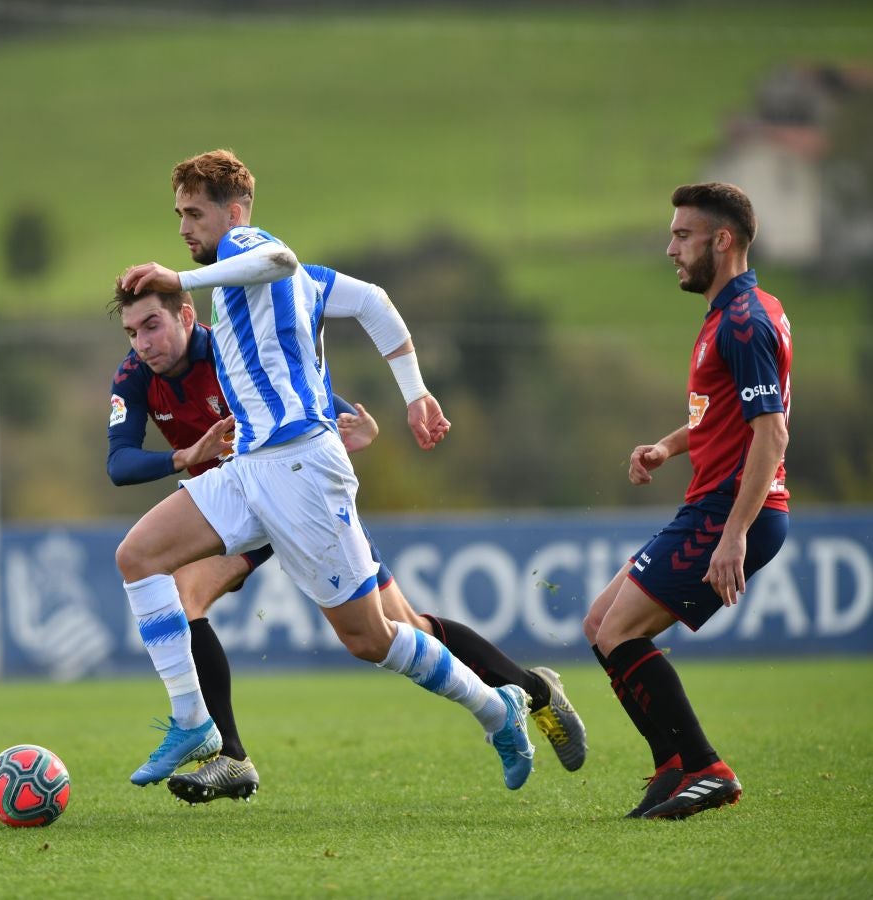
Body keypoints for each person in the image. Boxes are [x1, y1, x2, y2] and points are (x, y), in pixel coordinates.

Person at [114, 149, 536, 794]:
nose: (183, 228)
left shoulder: (250, 248)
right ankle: (194, 722)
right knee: (139, 557)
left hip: (302, 469)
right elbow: (373, 301)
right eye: (178, 215)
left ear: (234, 211)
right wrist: (414, 391)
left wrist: (178, 277)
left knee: (372, 638)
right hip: (252, 466)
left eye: (193, 213)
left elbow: (274, 258)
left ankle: (496, 707)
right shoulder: (284, 280)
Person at [582, 182, 790, 821]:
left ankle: (706, 768)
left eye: (682, 236)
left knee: (618, 631)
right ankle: (674, 767)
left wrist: (734, 535)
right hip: (711, 506)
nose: (670, 248)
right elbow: (726, 416)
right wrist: (670, 448)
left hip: (729, 510)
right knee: (598, 625)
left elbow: (771, 432)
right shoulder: (733, 314)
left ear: (721, 241)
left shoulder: (744, 321)